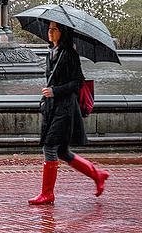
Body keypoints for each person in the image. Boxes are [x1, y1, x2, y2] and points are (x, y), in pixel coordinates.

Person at [28, 21, 110, 205]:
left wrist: (55, 91)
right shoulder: (51, 53)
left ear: (63, 32)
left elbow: (77, 83)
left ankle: (47, 194)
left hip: (65, 108)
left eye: (55, 29)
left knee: (49, 147)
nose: (50, 32)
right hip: (53, 107)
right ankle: (97, 175)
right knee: (62, 151)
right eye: (49, 29)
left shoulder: (70, 54)